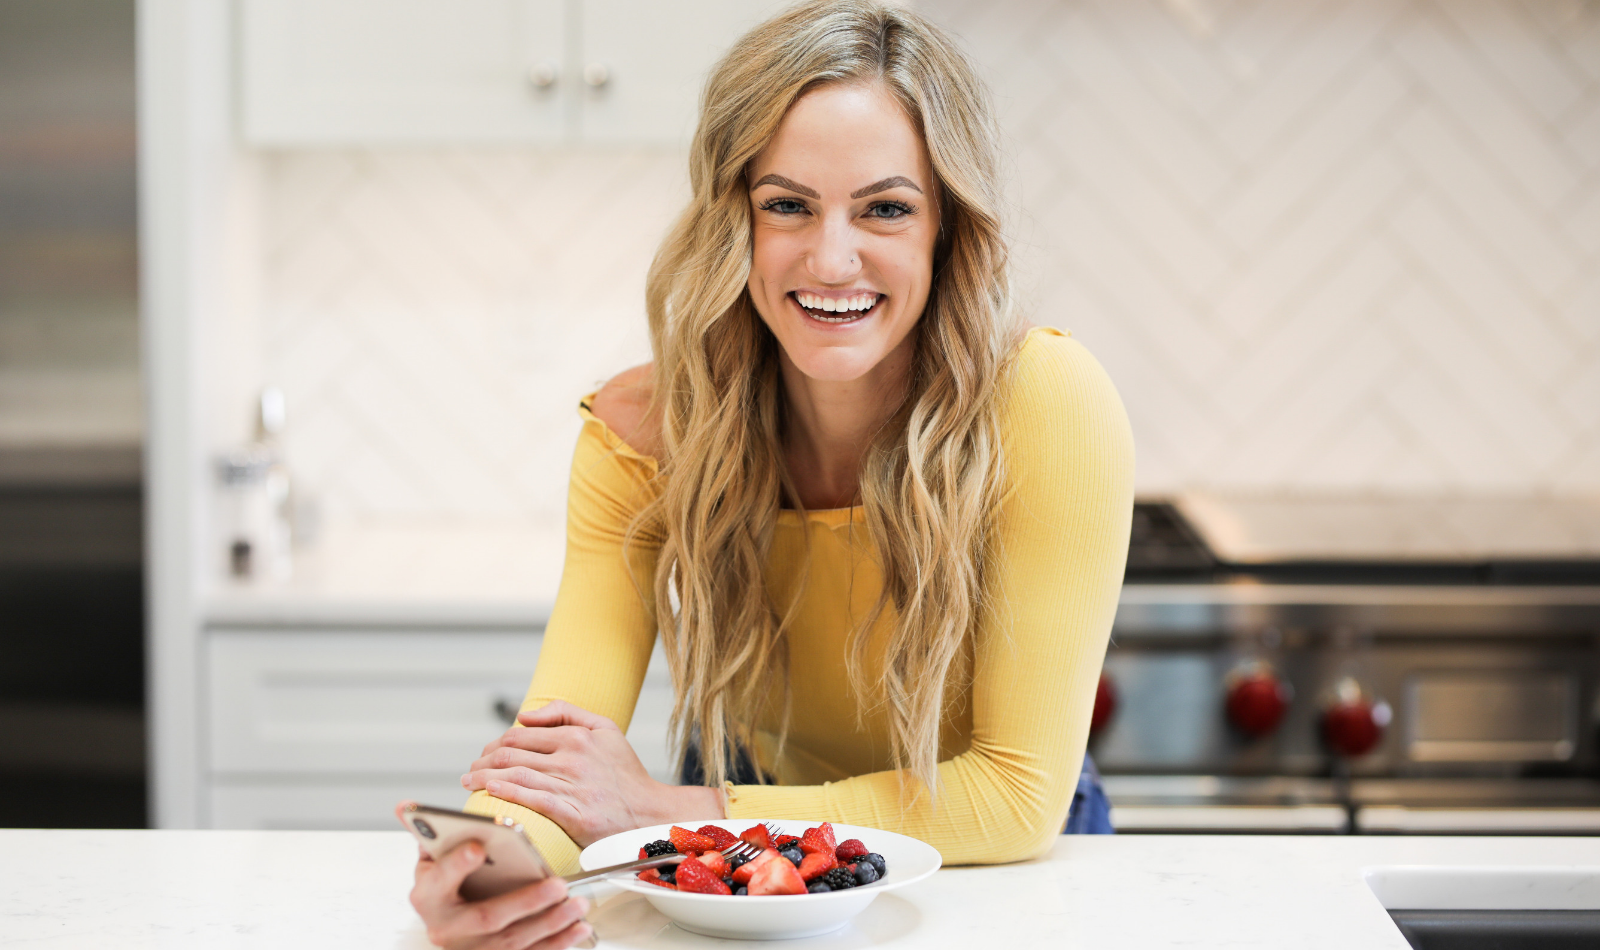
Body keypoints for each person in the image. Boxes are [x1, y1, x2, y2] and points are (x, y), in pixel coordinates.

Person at [404, 1, 1133, 945]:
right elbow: (562, 757)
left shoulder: (1044, 401)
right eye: (786, 204)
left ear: (947, 227)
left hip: (995, 882)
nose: (833, 258)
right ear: (732, 218)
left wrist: (671, 814)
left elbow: (1016, 797)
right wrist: (488, 871)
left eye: (886, 208)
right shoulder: (643, 431)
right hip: (740, 879)